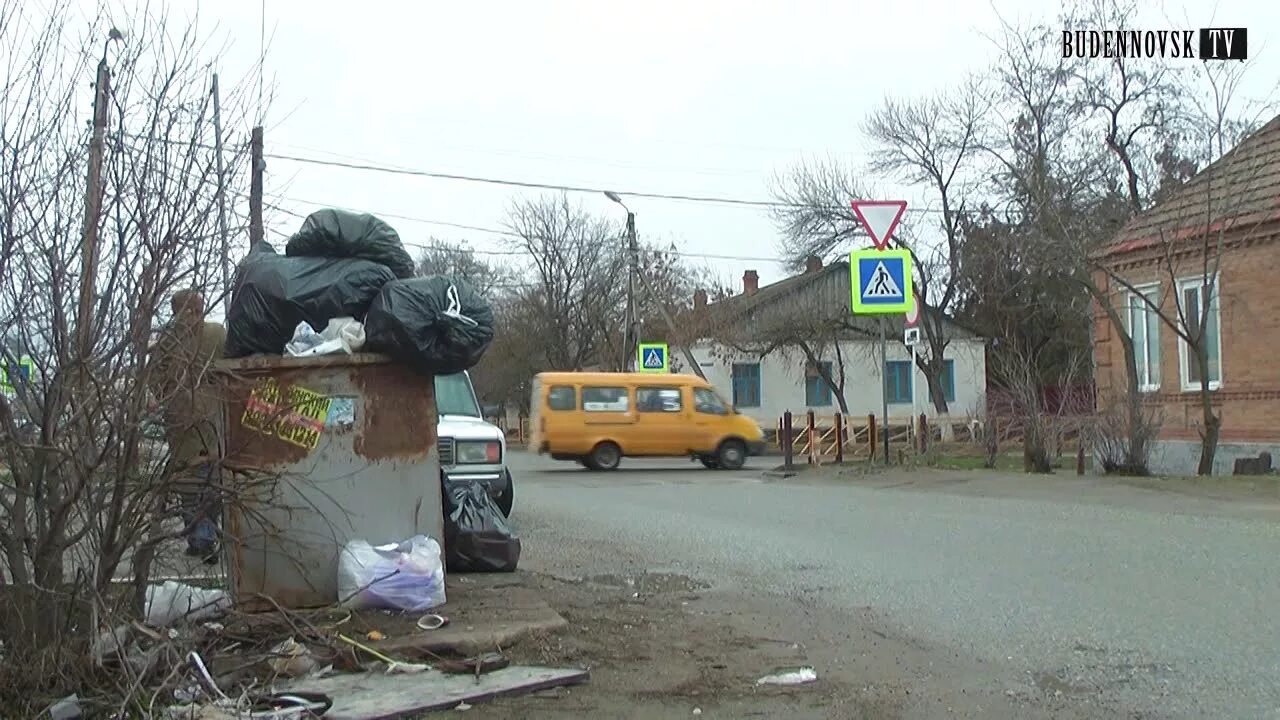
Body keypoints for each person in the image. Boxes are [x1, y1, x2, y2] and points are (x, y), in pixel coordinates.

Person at [150, 288, 226, 563]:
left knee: (192, 483)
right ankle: (202, 538)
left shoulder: (168, 341)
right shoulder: (217, 333)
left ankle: (201, 538)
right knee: (206, 482)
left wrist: (171, 394)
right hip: (208, 420)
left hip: (184, 422)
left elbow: (155, 383)